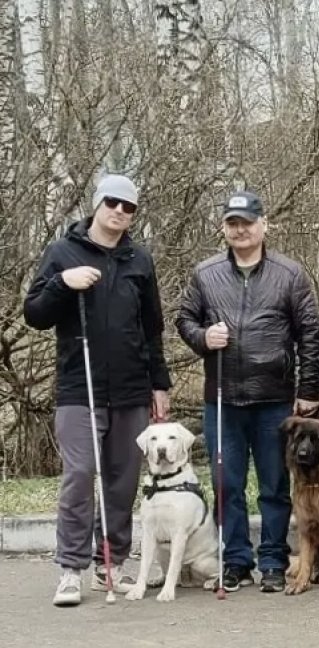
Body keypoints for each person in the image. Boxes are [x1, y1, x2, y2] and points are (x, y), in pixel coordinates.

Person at [24, 174, 172, 606]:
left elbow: (152, 330)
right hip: (79, 386)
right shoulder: (62, 253)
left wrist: (159, 383)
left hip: (131, 389)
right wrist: (62, 284)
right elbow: (35, 314)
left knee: (122, 482)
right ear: (97, 204)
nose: (120, 213)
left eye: (129, 208)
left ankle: (111, 564)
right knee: (79, 476)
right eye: (113, 203)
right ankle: (71, 569)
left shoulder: (139, 261)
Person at [176, 190, 319, 594]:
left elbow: (311, 333)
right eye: (232, 224)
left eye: (247, 223)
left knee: (275, 484)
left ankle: (273, 559)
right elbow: (184, 319)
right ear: (224, 228)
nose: (240, 230)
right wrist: (204, 336)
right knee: (227, 482)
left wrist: (309, 389)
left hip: (274, 399)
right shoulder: (205, 273)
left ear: (263, 226)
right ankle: (236, 559)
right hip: (222, 397)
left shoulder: (289, 274)